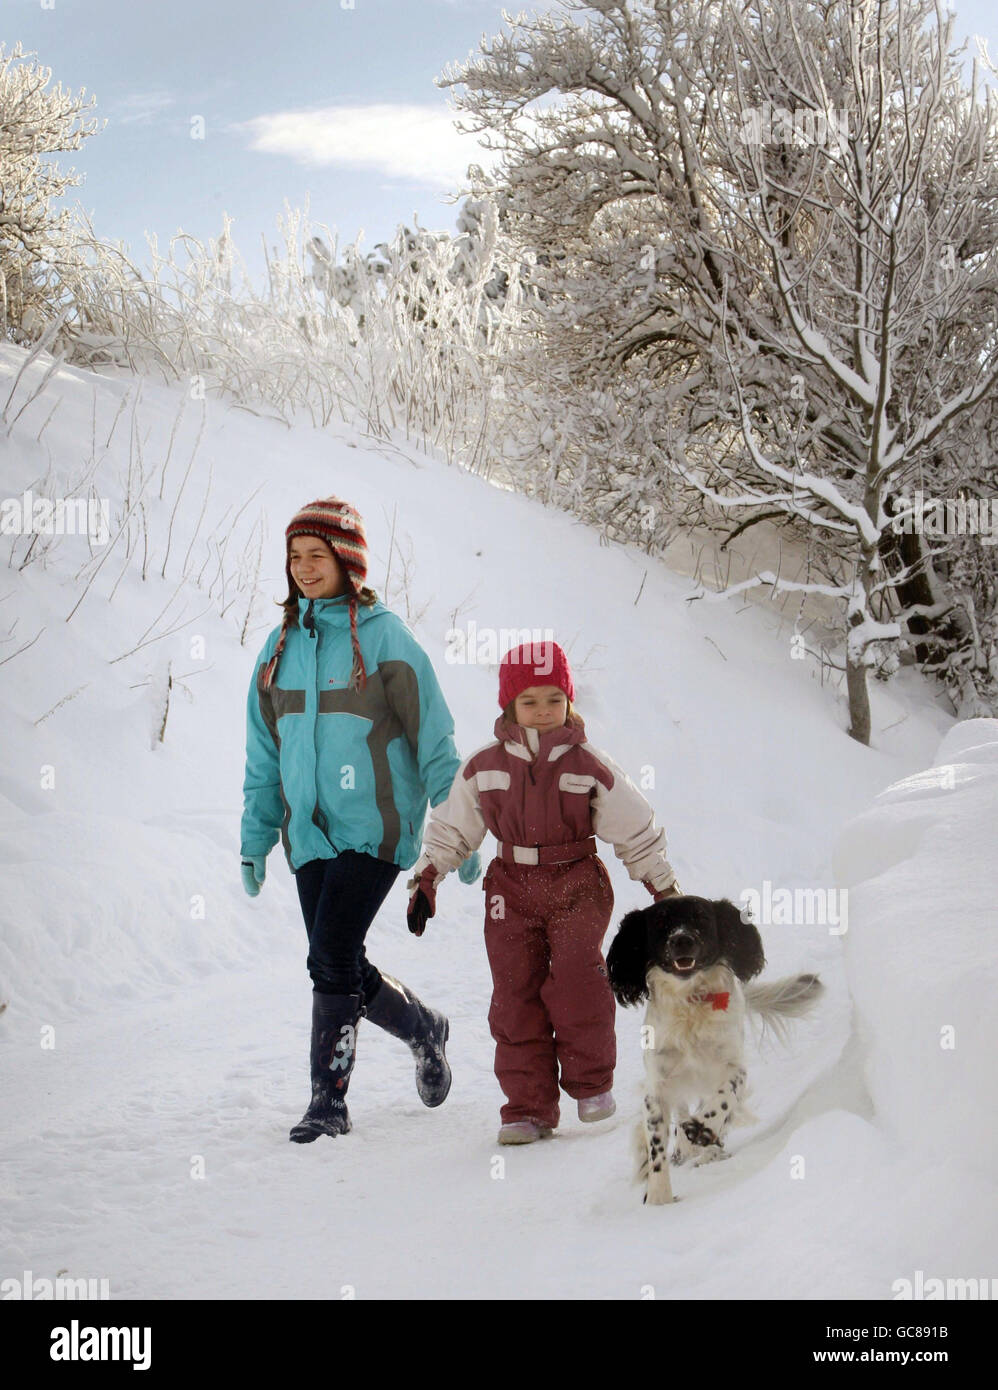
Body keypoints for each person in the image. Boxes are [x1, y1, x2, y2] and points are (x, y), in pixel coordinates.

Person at [240, 495, 478, 1142]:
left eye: (316, 555)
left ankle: (328, 1102)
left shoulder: (387, 640)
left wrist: (462, 832)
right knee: (335, 959)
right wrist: (256, 838)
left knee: (333, 955)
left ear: (348, 561)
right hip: (308, 835)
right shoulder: (277, 646)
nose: (303, 567)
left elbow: (435, 740)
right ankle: (424, 1027)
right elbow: (264, 755)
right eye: (294, 557)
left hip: (376, 827)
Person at [406, 640, 681, 1145]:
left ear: (569, 701)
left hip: (576, 878)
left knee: (577, 977)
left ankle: (591, 1083)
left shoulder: (586, 763)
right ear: (509, 705)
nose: (542, 711)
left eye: (554, 699)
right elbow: (452, 827)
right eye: (529, 701)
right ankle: (527, 1107)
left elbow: (633, 824)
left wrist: (661, 886)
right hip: (510, 886)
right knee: (515, 994)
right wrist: (428, 877)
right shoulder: (483, 765)